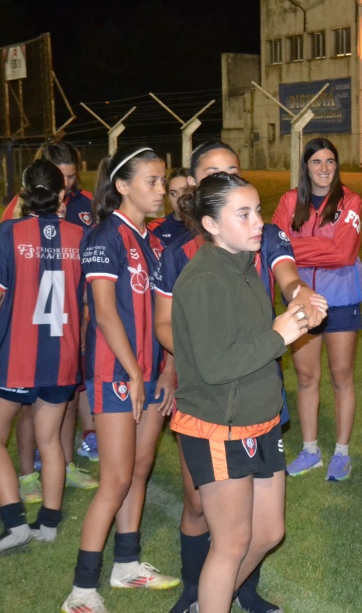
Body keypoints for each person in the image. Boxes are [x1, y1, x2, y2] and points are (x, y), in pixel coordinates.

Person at [153, 141, 323, 613]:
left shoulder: (245, 265)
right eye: (243, 215)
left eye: (258, 212)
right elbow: (214, 365)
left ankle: (211, 601)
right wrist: (280, 335)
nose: (258, 223)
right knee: (230, 543)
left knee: (268, 532)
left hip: (259, 418)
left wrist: (300, 310)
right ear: (211, 224)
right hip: (217, 426)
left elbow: (260, 326)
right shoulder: (206, 278)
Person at [61, 147, 179, 613]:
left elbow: (165, 315)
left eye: (162, 180)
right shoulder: (104, 236)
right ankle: (81, 590)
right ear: (123, 186)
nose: (161, 189)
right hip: (117, 375)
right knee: (114, 480)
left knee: (139, 470)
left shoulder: (154, 242)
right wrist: (132, 372)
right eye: (152, 181)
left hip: (151, 375)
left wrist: (167, 370)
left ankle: (127, 564)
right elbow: (105, 313)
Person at [0, 160, 85, 553]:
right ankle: (48, 522)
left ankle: (15, 522)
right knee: (50, 440)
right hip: (62, 356)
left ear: (22, 193)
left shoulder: (8, 233)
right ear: (62, 193)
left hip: (16, 355)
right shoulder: (80, 235)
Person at [9, 141, 98, 502]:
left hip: (64, 325)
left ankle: (63, 465)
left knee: (67, 401)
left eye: (71, 177)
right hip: (37, 329)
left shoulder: (86, 206)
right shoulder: (18, 214)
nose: (67, 184)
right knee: (32, 410)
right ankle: (29, 475)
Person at [272, 139, 362, 481]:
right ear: (306, 166)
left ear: (336, 166)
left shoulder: (350, 200)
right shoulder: (288, 201)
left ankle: (341, 453)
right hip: (301, 301)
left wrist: (295, 248)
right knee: (307, 377)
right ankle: (310, 450)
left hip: (341, 300)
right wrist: (322, 246)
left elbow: (343, 253)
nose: (324, 168)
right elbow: (275, 246)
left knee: (342, 376)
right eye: (316, 162)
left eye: (330, 161)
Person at [148, 168, 193, 245]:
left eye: (184, 192)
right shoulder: (156, 229)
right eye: (173, 194)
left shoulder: (207, 225)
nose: (179, 198)